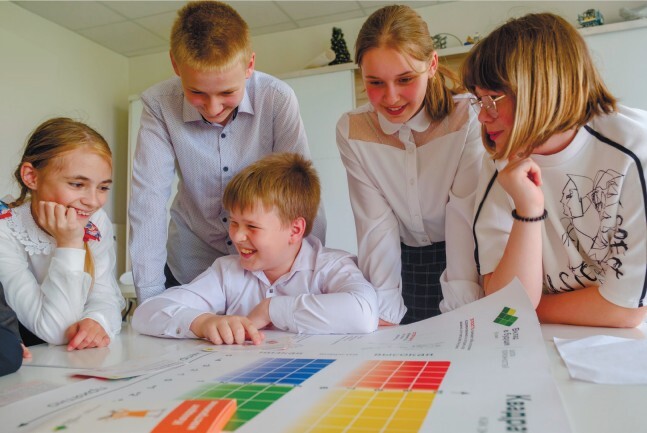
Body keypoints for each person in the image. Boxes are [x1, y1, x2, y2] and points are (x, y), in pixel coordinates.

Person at [129, 0, 326, 303]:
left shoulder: (276, 99)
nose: (212, 108)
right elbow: (148, 203)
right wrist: (150, 302)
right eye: (197, 92)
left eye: (227, 92)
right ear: (176, 65)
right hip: (191, 266)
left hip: (267, 273)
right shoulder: (159, 105)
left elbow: (301, 194)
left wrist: (308, 277)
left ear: (249, 65)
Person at [464, 13, 647, 327]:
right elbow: (502, 306)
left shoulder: (634, 152)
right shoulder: (499, 159)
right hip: (543, 338)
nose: (482, 116)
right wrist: (528, 210)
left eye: (492, 99)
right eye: (478, 100)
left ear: (541, 89)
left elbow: (627, 311)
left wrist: (528, 309)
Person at [336, 5, 484, 324]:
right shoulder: (353, 129)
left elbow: (462, 216)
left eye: (405, 79)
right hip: (402, 263)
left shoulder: (468, 117)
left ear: (432, 65)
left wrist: (464, 308)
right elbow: (376, 224)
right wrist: (382, 312)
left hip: (467, 257)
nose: (391, 98)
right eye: (375, 82)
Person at [132, 153, 378, 344]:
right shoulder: (227, 272)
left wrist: (272, 309)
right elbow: (147, 313)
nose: (237, 236)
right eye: (233, 222)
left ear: (295, 230)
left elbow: (365, 312)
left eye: (252, 226)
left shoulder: (331, 266)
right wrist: (202, 322)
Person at [0, 118, 125, 349]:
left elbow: (105, 295)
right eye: (77, 184)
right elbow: (56, 331)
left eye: (103, 187)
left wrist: (97, 320)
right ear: (31, 177)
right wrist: (69, 243)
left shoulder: (95, 221)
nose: (93, 201)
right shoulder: (4, 229)